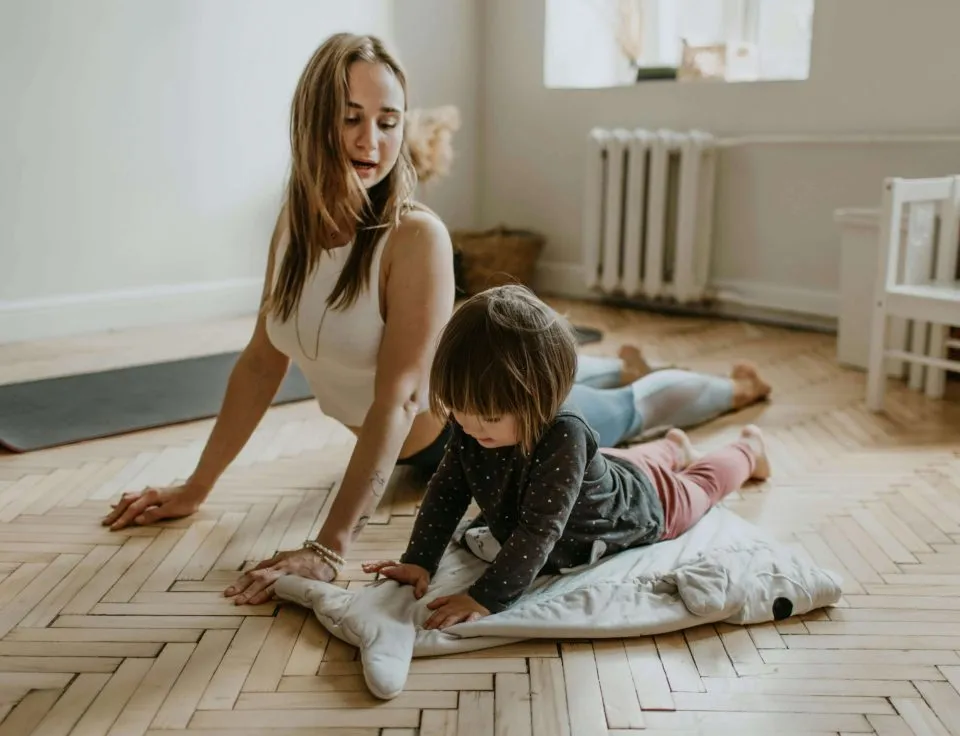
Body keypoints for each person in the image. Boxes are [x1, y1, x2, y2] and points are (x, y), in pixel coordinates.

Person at [100, 32, 770, 605]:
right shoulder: (293, 226)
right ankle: (627, 391)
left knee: (623, 410)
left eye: (388, 120)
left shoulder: (413, 236)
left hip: (487, 430)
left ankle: (732, 393)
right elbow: (258, 363)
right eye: (352, 116)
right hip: (454, 421)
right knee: (605, 401)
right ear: (312, 118)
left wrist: (329, 549)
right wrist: (196, 486)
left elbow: (396, 401)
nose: (372, 139)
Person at [362, 285, 770, 627]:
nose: (470, 427)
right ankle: (674, 446)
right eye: (459, 411)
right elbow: (447, 491)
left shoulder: (565, 435)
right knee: (629, 461)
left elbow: (540, 530)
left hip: (645, 503)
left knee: (701, 484)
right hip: (608, 468)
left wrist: (485, 598)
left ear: (541, 398)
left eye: (487, 416)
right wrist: (419, 560)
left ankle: (749, 449)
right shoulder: (473, 425)